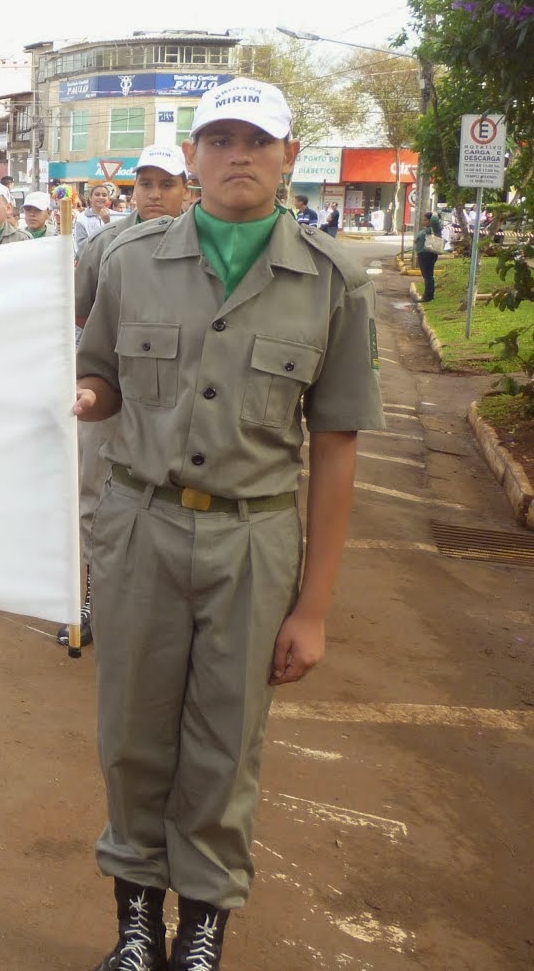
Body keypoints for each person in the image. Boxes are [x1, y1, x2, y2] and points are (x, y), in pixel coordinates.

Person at [72, 79, 384, 969]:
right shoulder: (130, 262)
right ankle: (136, 919)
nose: (236, 154)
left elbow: (335, 447)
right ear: (194, 157)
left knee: (226, 739)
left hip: (254, 540)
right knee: (132, 731)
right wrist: (82, 395)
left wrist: (313, 607)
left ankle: (203, 925)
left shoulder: (333, 282)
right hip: (140, 527)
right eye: (218, 139)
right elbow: (100, 381)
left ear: (289, 156)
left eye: (256, 139)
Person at [60, 144, 190, 648]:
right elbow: (77, 311)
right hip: (108, 388)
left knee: (168, 498)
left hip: (174, 399)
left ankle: (158, 607)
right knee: (93, 494)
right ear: (132, 189)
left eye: (167, 184)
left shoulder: (203, 243)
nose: (155, 195)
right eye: (146, 184)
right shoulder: (107, 243)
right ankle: (91, 601)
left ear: (186, 189)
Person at [73, 182, 116, 256]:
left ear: (108, 198)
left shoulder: (115, 215)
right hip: (90, 261)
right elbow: (81, 245)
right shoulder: (82, 218)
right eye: (97, 194)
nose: (101, 197)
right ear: (90, 197)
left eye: (104, 195)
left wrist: (107, 223)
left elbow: (116, 239)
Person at [415, 209, 444, 302]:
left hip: (428, 254)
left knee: (428, 275)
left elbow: (435, 219)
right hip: (422, 254)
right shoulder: (426, 229)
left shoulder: (434, 228)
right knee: (426, 275)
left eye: (426, 220)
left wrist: (434, 213)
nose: (424, 222)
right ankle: (428, 294)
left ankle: (428, 296)